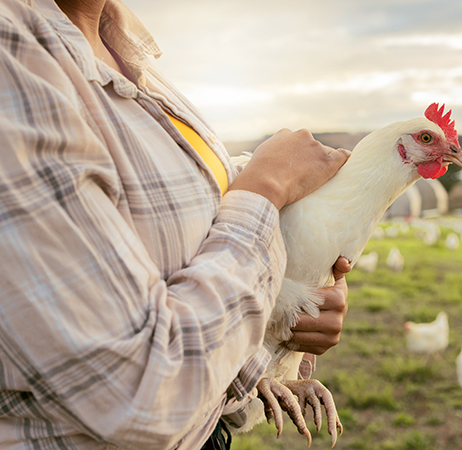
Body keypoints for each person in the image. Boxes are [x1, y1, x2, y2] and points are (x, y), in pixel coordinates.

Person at [0, 0, 351, 448]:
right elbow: (142, 392)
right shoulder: (15, 55)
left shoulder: (122, 45)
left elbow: (193, 234)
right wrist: (267, 188)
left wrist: (283, 308)